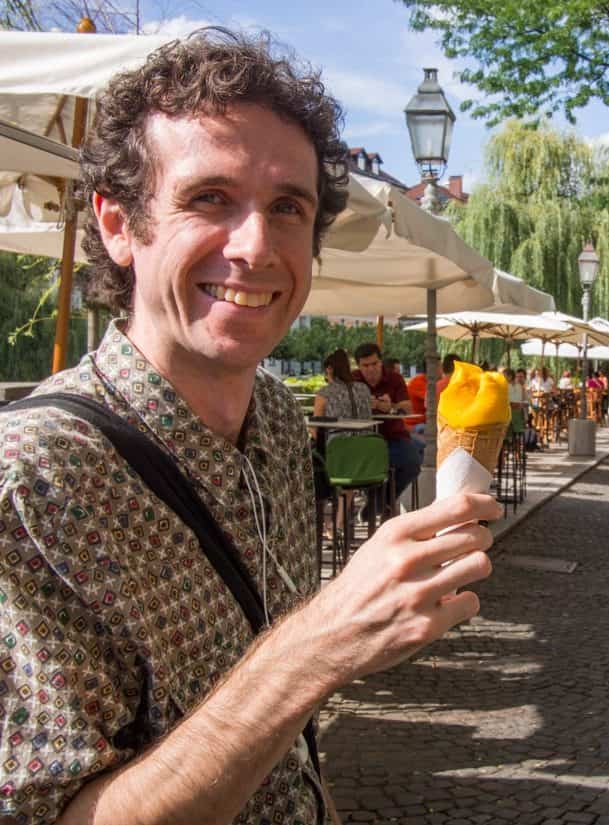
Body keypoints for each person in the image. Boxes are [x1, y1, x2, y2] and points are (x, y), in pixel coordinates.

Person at [0, 30, 498, 825]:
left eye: (287, 207)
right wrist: (320, 646)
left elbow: (281, 749)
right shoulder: (32, 476)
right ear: (120, 225)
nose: (256, 246)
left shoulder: (271, 418)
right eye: (209, 198)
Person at [314, 349, 375, 534]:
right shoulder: (364, 389)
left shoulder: (324, 393)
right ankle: (338, 523)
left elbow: (316, 429)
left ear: (329, 369)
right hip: (368, 456)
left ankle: (320, 522)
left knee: (315, 465)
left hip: (338, 455)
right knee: (347, 472)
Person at [354, 342, 422, 498]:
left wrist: (389, 406)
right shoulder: (352, 379)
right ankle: (380, 504)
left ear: (381, 361)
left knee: (412, 464)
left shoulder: (394, 378)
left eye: (375, 363)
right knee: (354, 468)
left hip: (393, 436)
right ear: (358, 365)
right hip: (362, 438)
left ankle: (380, 503)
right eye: (365, 365)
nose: (371, 369)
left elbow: (408, 409)